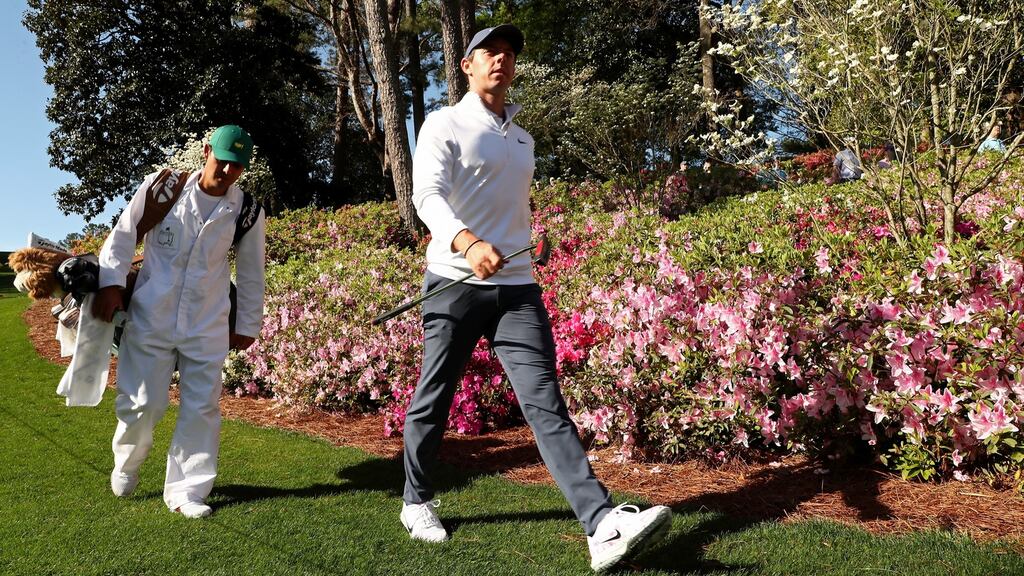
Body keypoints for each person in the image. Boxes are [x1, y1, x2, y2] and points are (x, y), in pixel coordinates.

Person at [403, 24, 672, 572]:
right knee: (435, 397)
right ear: (466, 65)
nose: (500, 61)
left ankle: (601, 526)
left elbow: (509, 205)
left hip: (518, 287)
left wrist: (527, 234)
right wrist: (467, 241)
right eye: (488, 53)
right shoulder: (443, 124)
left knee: (545, 402)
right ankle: (416, 502)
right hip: (454, 284)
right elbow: (426, 195)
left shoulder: (521, 137)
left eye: (507, 54)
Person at [92, 125, 266, 518]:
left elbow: (253, 272)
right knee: (143, 405)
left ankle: (188, 491)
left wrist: (247, 325)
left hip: (207, 323)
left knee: (201, 408)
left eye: (237, 166)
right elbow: (122, 236)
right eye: (222, 160)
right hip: (151, 317)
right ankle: (128, 463)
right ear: (206, 151)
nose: (227, 171)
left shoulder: (248, 211)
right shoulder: (163, 188)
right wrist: (110, 285)